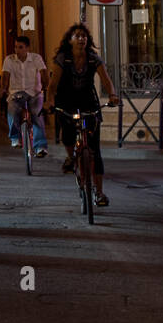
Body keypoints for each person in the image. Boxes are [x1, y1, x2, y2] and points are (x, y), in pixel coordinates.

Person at [45, 24, 117, 206]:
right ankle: (70, 157)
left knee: (95, 150)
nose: (81, 39)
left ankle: (99, 193)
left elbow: (106, 80)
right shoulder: (63, 58)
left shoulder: (93, 58)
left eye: (84, 36)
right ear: (70, 40)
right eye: (77, 36)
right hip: (66, 99)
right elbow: (53, 86)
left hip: (87, 100)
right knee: (67, 134)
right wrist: (50, 101)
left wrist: (113, 95)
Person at [0, 35, 49, 156]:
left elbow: (43, 72)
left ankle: (40, 147)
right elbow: (5, 75)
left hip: (34, 92)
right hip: (16, 93)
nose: (17, 50)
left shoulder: (36, 58)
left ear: (27, 48)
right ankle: (15, 138)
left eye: (20, 47)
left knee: (37, 114)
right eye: (16, 47)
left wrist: (45, 86)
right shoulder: (9, 60)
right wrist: (3, 89)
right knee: (13, 109)